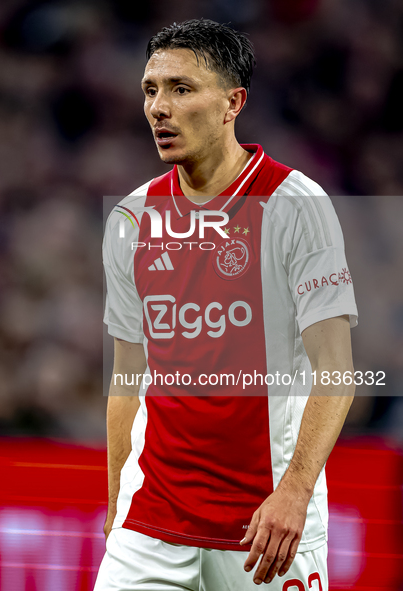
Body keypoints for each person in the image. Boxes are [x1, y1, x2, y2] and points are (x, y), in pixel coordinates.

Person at [96, 18, 358, 591]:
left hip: (265, 526)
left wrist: (293, 494)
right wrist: (117, 509)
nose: (159, 108)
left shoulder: (297, 206)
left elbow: (336, 368)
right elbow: (126, 379)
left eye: (180, 89)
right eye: (150, 90)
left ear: (232, 103)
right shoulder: (131, 219)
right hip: (151, 523)